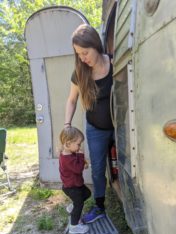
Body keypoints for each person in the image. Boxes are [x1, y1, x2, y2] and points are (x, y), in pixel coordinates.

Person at [64, 24, 114, 223]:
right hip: (95, 129)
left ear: (96, 45)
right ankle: (100, 206)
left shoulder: (114, 62)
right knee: (97, 169)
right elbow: (72, 100)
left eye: (85, 52)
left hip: (120, 126)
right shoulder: (80, 72)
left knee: (128, 164)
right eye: (78, 54)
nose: (83, 58)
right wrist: (67, 125)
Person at [59, 126, 91, 234]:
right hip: (72, 187)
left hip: (76, 184)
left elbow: (76, 162)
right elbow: (77, 169)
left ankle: (72, 207)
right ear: (68, 144)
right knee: (79, 204)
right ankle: (74, 226)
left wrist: (82, 161)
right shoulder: (66, 159)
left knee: (87, 193)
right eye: (78, 144)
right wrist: (81, 156)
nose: (79, 147)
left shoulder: (69, 153)